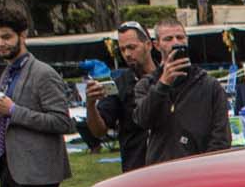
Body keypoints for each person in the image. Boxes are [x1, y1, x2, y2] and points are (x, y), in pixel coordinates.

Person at [0, 4, 75, 187]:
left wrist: (13, 110)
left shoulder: (42, 73)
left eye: (6, 37)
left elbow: (63, 121)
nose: (0, 44)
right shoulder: (8, 72)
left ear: (22, 35)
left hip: (37, 174)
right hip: (9, 168)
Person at [134, 18, 232, 164]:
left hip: (200, 169)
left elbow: (221, 136)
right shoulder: (147, 85)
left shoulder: (209, 85)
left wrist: (206, 166)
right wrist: (163, 84)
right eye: (168, 39)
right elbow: (142, 120)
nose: (176, 43)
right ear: (156, 45)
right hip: (161, 170)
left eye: (180, 37)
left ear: (187, 40)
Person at [83, 19, 159, 170]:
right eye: (122, 49)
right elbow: (99, 131)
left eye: (132, 47)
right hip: (136, 168)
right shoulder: (119, 84)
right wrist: (91, 104)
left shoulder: (167, 76)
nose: (127, 54)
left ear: (148, 45)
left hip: (171, 164)